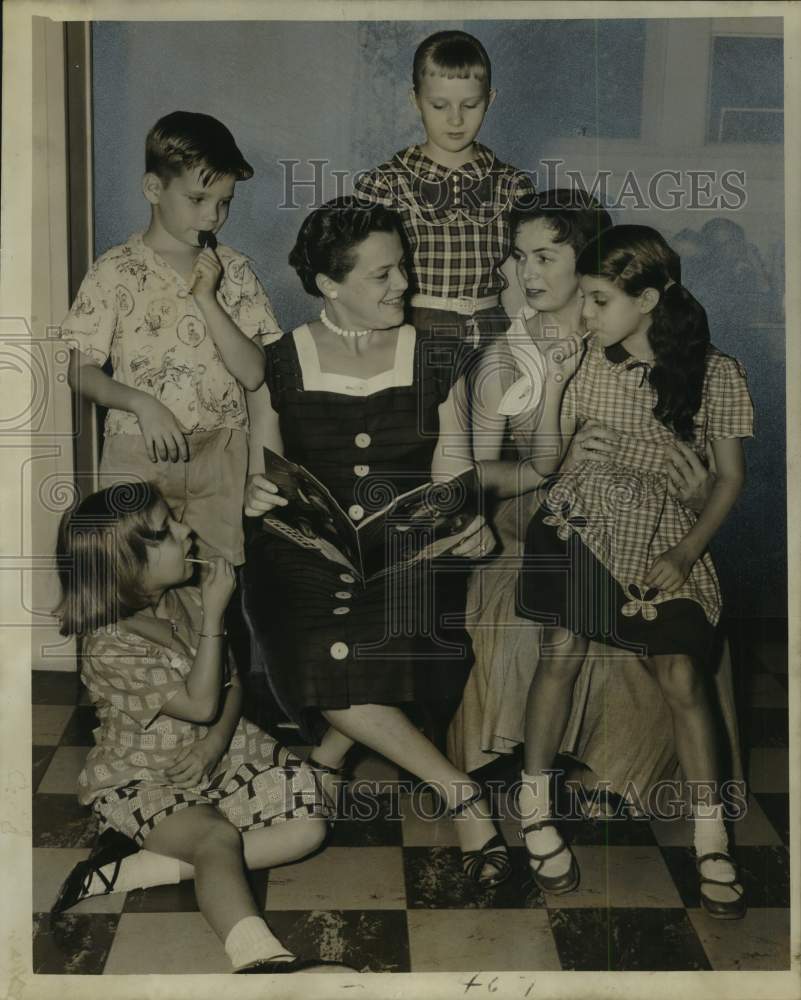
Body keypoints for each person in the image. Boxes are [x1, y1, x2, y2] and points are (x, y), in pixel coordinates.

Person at [241, 199, 546, 888]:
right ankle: (461, 795)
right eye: (381, 275)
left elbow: (454, 469)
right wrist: (256, 495)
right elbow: (264, 472)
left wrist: (466, 519)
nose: (402, 284)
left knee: (395, 624)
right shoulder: (278, 363)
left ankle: (324, 761)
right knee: (325, 640)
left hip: (409, 545)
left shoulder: (438, 356)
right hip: (300, 553)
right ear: (328, 285)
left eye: (400, 267)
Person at [448, 194, 744, 820]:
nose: (529, 273)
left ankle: (622, 782)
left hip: (641, 523)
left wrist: (693, 501)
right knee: (551, 622)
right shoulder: (507, 355)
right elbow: (476, 475)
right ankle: (538, 777)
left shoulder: (631, 344)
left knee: (658, 629)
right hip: (526, 522)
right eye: (519, 257)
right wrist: (547, 462)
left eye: (546, 258)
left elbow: (701, 461)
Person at [516, 224, 753, 919]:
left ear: (646, 298)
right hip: (578, 520)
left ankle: (711, 835)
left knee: (680, 671)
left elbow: (729, 480)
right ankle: (534, 810)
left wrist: (683, 552)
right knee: (559, 652)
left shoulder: (716, 372)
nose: (584, 315)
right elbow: (546, 459)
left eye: (597, 300)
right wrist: (558, 394)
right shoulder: (582, 357)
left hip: (664, 535)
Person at [51, 483, 353, 974]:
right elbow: (199, 702)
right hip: (144, 777)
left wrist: (215, 744)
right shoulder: (109, 646)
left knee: (309, 828)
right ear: (127, 565)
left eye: (175, 519)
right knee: (215, 838)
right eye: (165, 531)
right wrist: (215, 615)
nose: (185, 530)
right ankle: (260, 963)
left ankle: (131, 868)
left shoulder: (187, 599)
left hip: (216, 756)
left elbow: (233, 685)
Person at [60, 111, 281, 566]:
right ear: (153, 190)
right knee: (132, 574)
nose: (212, 216)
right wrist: (143, 404)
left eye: (224, 202)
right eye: (198, 198)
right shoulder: (114, 270)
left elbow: (254, 373)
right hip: (139, 450)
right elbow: (79, 372)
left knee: (214, 579)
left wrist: (207, 298)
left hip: (220, 451)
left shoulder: (234, 271)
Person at [353, 30, 535, 350]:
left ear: (489, 100)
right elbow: (364, 277)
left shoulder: (513, 185)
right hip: (410, 331)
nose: (455, 119)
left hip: (494, 333)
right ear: (416, 100)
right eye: (439, 105)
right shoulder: (385, 184)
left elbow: (518, 276)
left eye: (470, 105)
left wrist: (525, 343)